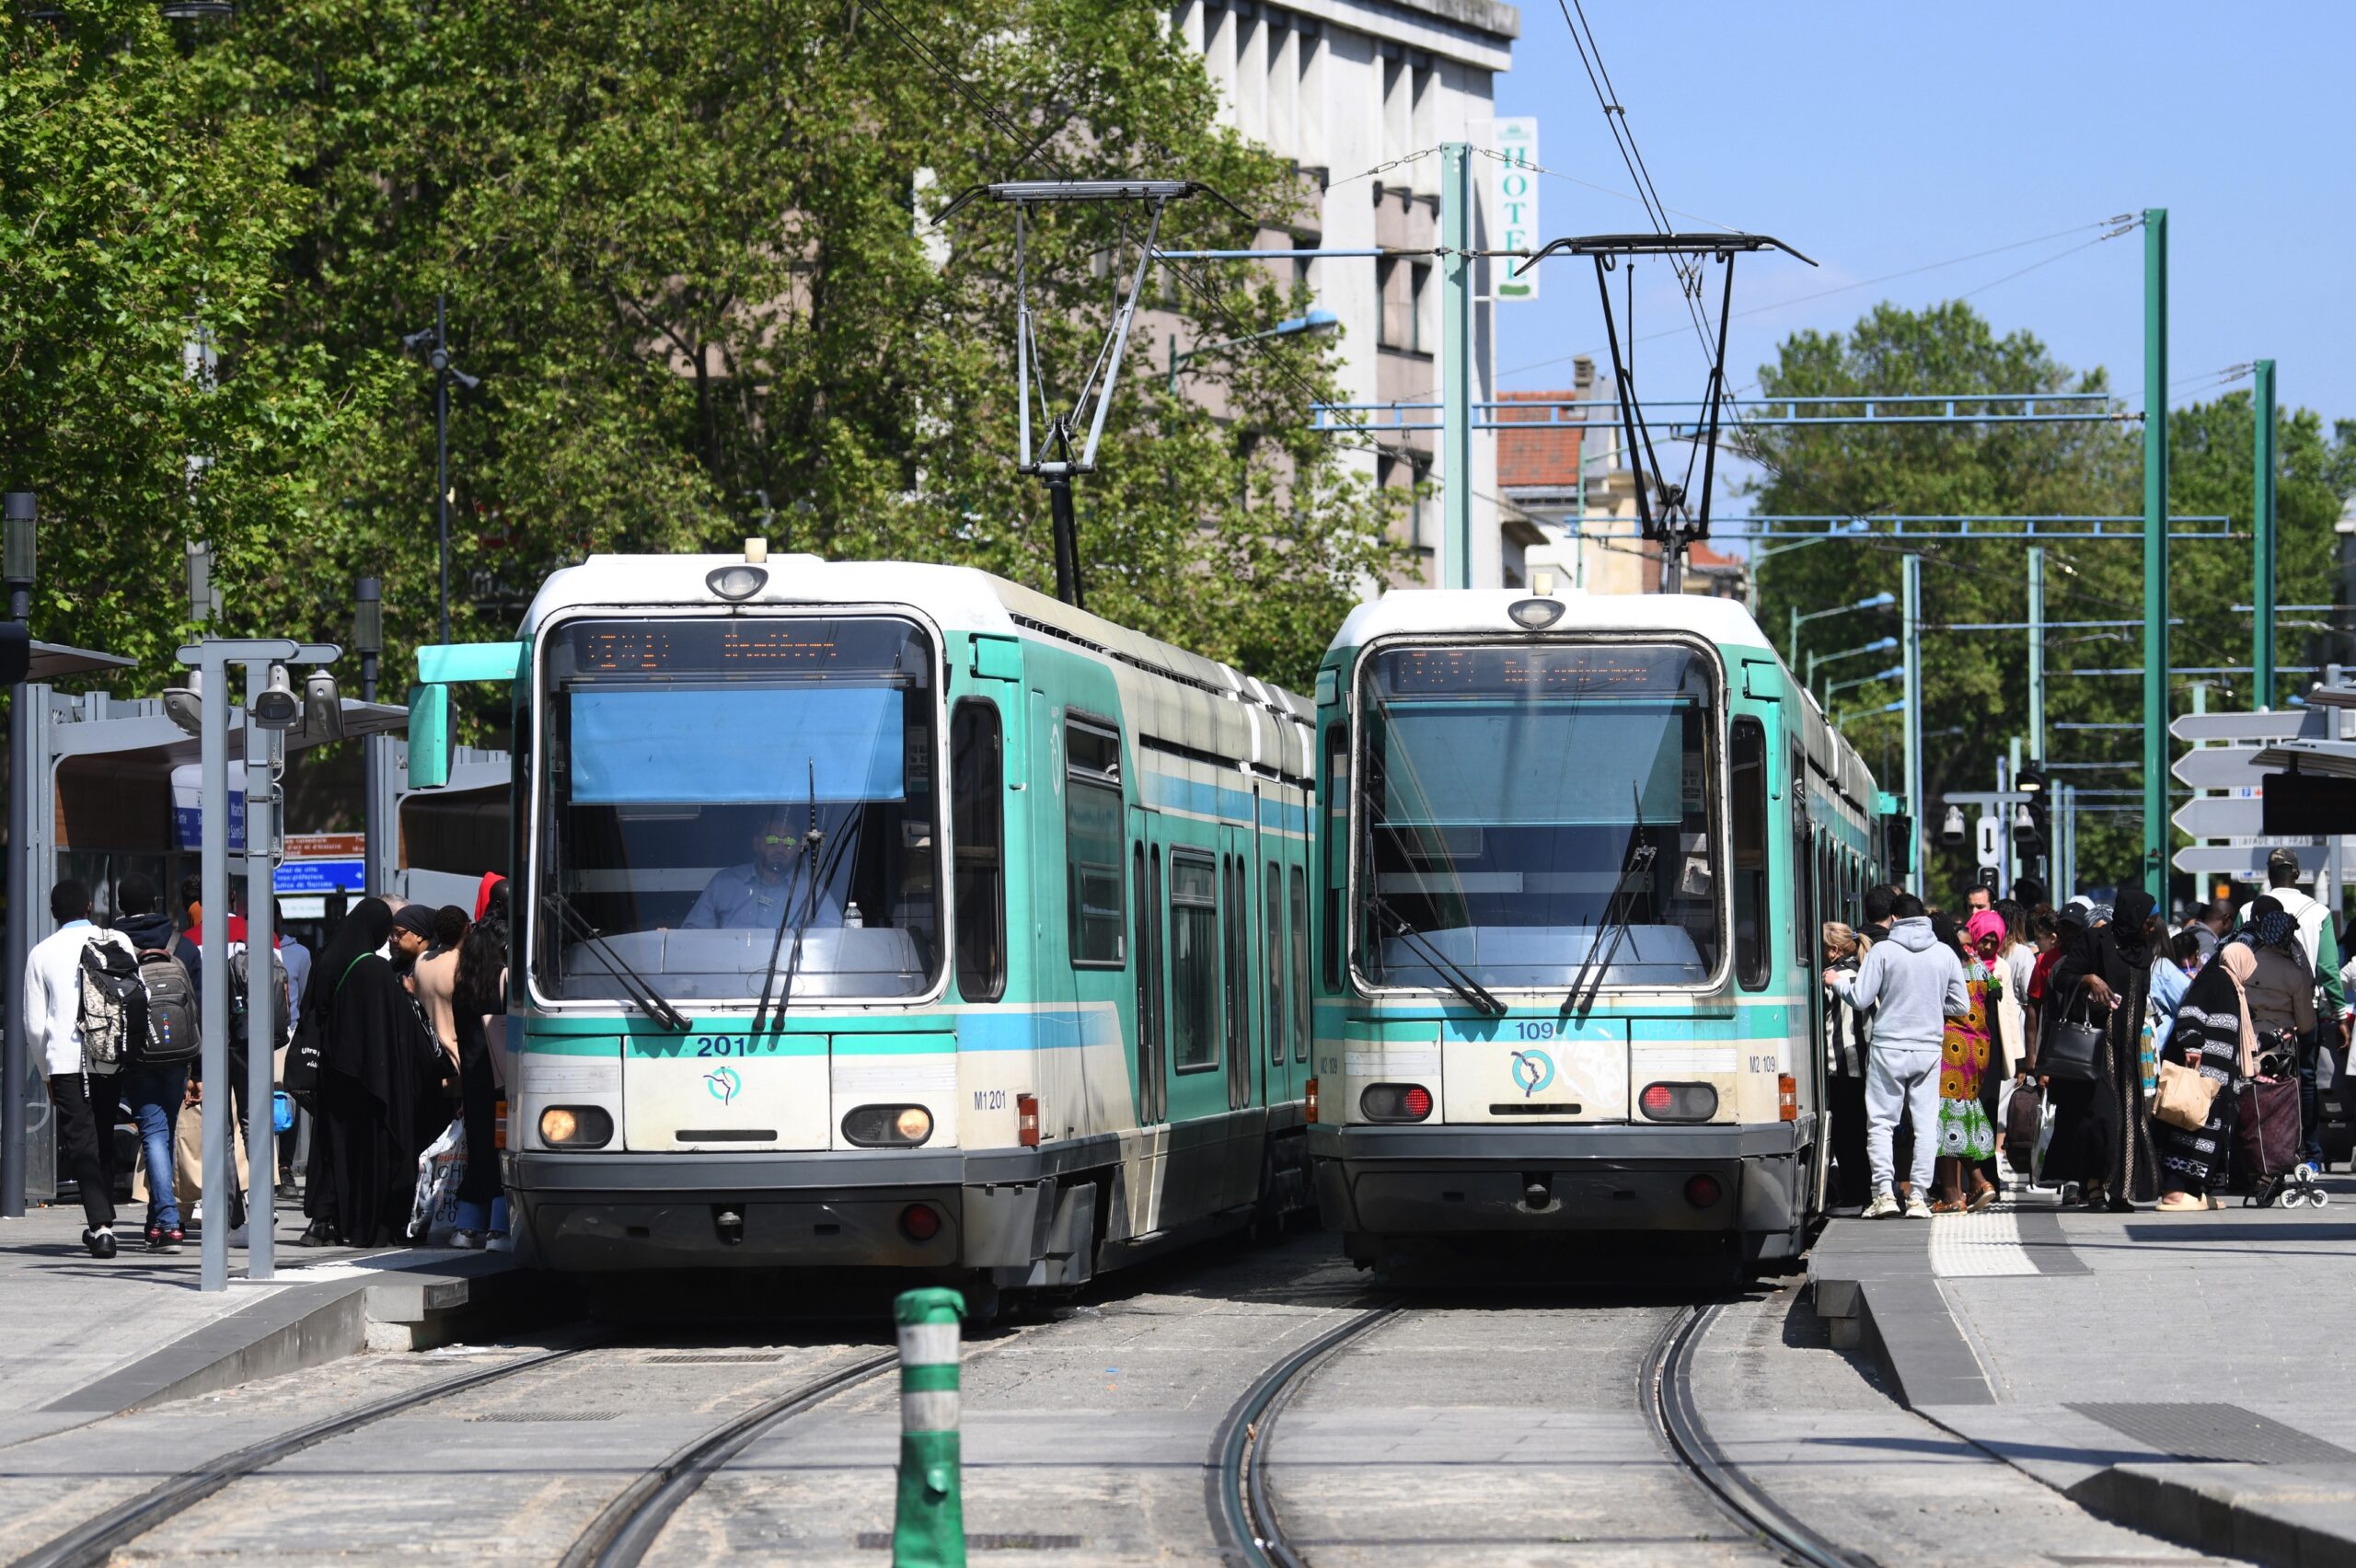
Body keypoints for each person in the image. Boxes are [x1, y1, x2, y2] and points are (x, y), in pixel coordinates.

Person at [297, 899, 442, 1248]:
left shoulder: (327, 959)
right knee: (369, 1151)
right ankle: (364, 1223)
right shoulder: (374, 971)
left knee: (334, 1147)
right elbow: (393, 1031)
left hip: (332, 1075)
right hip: (371, 1079)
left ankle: (325, 1219)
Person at [1824, 893, 1968, 1219]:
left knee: (1881, 1124)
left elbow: (1860, 999)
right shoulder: (1944, 953)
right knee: (1926, 1124)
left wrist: (1836, 984)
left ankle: (1885, 1194)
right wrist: (1930, 1008)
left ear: (1894, 919)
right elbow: (1961, 1005)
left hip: (1888, 1047)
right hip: (1928, 1048)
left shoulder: (1884, 951)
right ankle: (1918, 1198)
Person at [26, 880, 133, 1258]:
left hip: (67, 1062)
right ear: (90, 906)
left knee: (81, 1141)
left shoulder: (41, 954)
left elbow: (35, 1025)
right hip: (108, 1056)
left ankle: (101, 1227)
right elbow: (136, 995)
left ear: (54, 914)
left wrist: (45, 1072)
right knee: (103, 1131)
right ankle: (106, 1216)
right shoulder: (117, 940)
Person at [2042, 889, 2162, 1210]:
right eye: (2148, 922)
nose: (2150, 928)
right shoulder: (2096, 942)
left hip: (2131, 1050)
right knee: (2102, 1118)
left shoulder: (2142, 950)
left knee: (2130, 1116)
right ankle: (2094, 1183)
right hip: (2100, 1047)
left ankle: (2120, 1191)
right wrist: (2089, 979)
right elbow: (2064, 976)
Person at [2239, 850, 2345, 1177]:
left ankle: (2263, 1150)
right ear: (2297, 875)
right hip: (2304, 1011)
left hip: (2258, 1015)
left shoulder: (2247, 908)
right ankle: (2310, 1152)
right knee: (2306, 1081)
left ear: (2268, 874)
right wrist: (2340, 1014)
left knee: (2260, 1079)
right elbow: (2328, 969)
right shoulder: (2318, 911)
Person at [113, 875, 194, 1251]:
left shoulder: (114, 947)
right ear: (156, 900)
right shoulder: (181, 945)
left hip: (139, 1054)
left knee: (154, 1135)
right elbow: (199, 1009)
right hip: (179, 1055)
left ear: (120, 906)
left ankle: (166, 1221)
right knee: (165, 1132)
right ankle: (160, 1222)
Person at [2155, 940, 2259, 1211]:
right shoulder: (2216, 980)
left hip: (2218, 1080)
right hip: (2204, 1076)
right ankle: (2175, 1190)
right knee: (2193, 1128)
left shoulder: (2233, 988)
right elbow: (2190, 1012)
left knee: (2208, 1132)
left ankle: (2194, 1191)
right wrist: (2192, 1044)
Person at [1931, 910, 2006, 1212]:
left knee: (1946, 1118)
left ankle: (1974, 1183)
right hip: (1978, 1048)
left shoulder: (1943, 962)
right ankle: (1953, 1194)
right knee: (1957, 1116)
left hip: (1951, 1046)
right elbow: (1996, 991)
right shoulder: (1975, 962)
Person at [451, 881, 510, 1248]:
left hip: (473, 1064)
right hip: (502, 1068)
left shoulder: (472, 946)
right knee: (504, 1144)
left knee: (479, 1145)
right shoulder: (510, 945)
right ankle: (500, 1227)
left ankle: (466, 1224)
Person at [682, 807, 845, 930]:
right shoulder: (724, 883)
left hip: (786, 975)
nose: (780, 849)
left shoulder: (813, 895)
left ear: (797, 849)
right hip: (728, 972)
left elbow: (835, 943)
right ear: (757, 843)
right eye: (772, 840)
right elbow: (691, 938)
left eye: (788, 842)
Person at [1821, 921, 1874, 1211]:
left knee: (1846, 1133)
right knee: (1859, 1131)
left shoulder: (1834, 977)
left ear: (1833, 950)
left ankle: (1855, 1193)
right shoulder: (1865, 972)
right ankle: (1860, 1189)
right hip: (1863, 1063)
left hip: (1839, 1063)